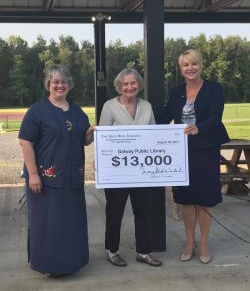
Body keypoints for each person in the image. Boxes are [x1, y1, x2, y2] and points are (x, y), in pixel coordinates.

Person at [18, 64, 94, 278]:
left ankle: (72, 262)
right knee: (49, 223)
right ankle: (49, 265)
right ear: (48, 85)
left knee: (71, 221)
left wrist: (91, 134)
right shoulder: (37, 111)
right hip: (45, 179)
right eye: (55, 82)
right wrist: (32, 174)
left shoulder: (78, 111)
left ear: (69, 84)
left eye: (64, 82)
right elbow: (25, 143)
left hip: (72, 179)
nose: (60, 85)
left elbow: (84, 140)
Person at [158, 49, 229, 264]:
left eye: (193, 64)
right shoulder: (177, 91)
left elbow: (216, 117)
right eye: (185, 65)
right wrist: (138, 126)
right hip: (183, 151)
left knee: (206, 198)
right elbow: (165, 116)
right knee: (187, 198)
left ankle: (204, 241)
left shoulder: (214, 89)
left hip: (206, 149)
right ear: (181, 69)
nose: (190, 68)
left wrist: (200, 128)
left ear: (201, 65)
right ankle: (190, 241)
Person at [99, 68, 162, 267]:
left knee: (144, 212)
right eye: (125, 84)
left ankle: (143, 252)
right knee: (115, 211)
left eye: (133, 83)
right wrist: (100, 162)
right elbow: (103, 138)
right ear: (119, 86)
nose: (129, 87)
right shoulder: (109, 106)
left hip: (142, 171)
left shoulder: (147, 106)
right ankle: (112, 251)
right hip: (117, 171)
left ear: (138, 85)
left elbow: (154, 136)